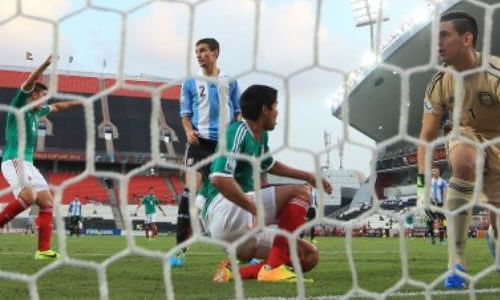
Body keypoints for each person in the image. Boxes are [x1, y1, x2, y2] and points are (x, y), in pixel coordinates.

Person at [202, 85, 332, 282]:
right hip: (224, 210)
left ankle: (232, 273)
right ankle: (271, 268)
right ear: (265, 109)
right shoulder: (237, 131)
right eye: (275, 106)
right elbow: (219, 178)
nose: (277, 112)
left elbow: (270, 165)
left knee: (307, 256)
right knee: (302, 193)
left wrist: (309, 176)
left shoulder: (261, 136)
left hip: (241, 226)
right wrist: (255, 209)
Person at [416, 12, 500, 289]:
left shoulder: (495, 73)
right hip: (466, 132)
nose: (437, 43)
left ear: (467, 39)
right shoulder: (439, 82)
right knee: (463, 160)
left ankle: (494, 236)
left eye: (444, 35)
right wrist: (421, 188)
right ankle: (456, 264)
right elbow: (426, 136)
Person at [0, 55, 80, 260]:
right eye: (44, 96)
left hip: (28, 164)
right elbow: (27, 83)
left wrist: (78, 102)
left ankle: (43, 250)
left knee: (46, 201)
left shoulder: (36, 113)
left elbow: (58, 107)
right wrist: (45, 64)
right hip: (14, 160)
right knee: (29, 197)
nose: (46, 100)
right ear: (34, 95)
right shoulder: (20, 105)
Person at [172, 37, 241, 266]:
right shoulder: (190, 82)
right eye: (197, 51)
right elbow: (185, 114)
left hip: (224, 145)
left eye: (203, 51)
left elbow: (238, 113)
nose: (199, 55)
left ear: (215, 52)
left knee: (230, 194)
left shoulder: (230, 82)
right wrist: (188, 131)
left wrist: (236, 137)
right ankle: (180, 248)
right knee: (190, 189)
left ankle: (240, 249)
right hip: (199, 143)